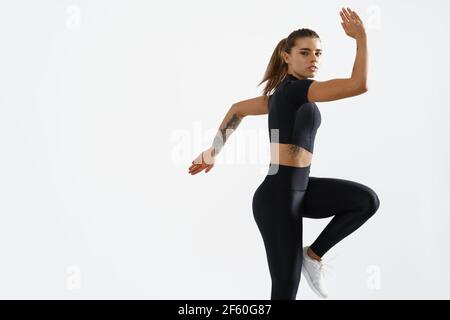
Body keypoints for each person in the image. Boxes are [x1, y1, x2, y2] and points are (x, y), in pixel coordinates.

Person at [188, 7, 380, 300]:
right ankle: (310, 259)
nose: (313, 59)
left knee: (365, 201)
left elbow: (238, 109)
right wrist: (361, 39)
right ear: (286, 56)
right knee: (285, 291)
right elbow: (358, 85)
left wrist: (213, 151)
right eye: (305, 53)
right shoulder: (294, 91)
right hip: (277, 197)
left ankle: (313, 256)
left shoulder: (282, 96)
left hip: (300, 188)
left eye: (318, 53)